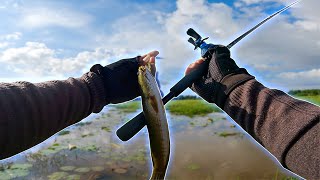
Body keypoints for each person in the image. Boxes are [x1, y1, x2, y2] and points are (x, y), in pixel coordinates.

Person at [0, 46, 318, 179]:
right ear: (147, 82)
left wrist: (96, 88)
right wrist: (233, 85)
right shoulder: (149, 86)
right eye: (146, 77)